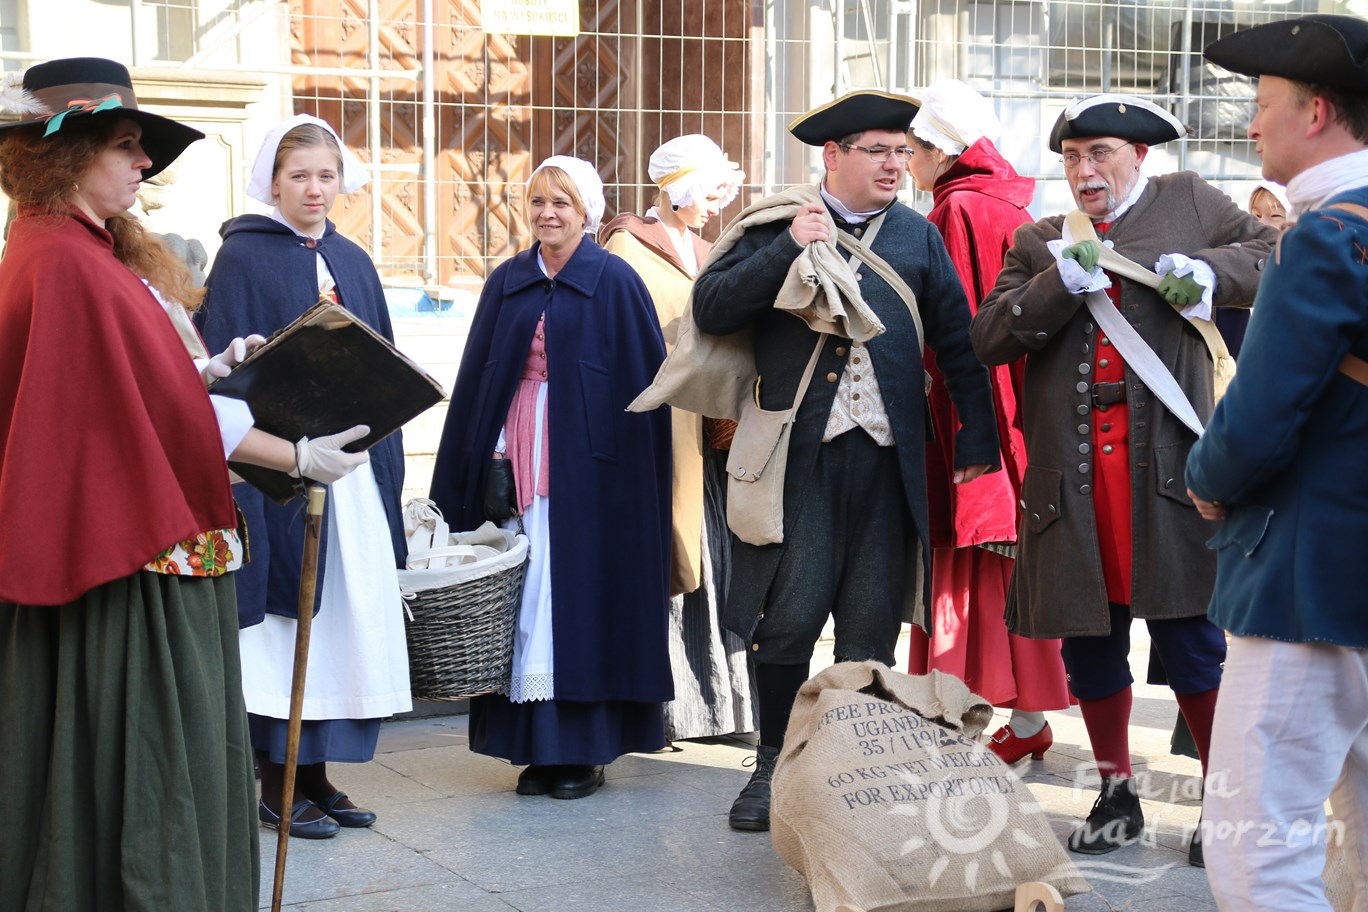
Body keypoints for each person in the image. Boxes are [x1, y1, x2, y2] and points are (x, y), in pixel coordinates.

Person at [0, 56, 350, 910]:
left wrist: (205, 368)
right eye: (125, 145)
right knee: (146, 753)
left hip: (122, 547)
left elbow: (130, 392)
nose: (143, 162)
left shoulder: (70, 251)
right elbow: (149, 414)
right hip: (127, 566)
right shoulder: (70, 266)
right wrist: (295, 458)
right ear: (68, 152)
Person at [971, 93, 1278, 863]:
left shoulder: (1191, 203)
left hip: (1169, 479)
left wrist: (1208, 272)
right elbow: (988, 337)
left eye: (1100, 153)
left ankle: (1219, 800)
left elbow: (1279, 253)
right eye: (1073, 157)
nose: (1084, 170)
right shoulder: (1040, 241)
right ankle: (1116, 793)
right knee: (1090, 647)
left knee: (1193, 647)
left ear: (1139, 156)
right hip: (1073, 488)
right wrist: (1055, 288)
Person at [690, 90, 1001, 832]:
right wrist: (788, 249)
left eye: (904, 150)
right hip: (800, 464)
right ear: (834, 157)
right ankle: (770, 765)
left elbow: (960, 347)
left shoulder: (918, 239)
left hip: (890, 467)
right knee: (788, 620)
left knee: (870, 630)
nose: (897, 164)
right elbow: (712, 308)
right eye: (879, 150)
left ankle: (854, 769)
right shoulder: (776, 224)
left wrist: (978, 444)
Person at [1189, 14, 1368, 908]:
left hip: (1310, 576)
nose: (1252, 125)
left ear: (1318, 111)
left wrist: (1205, 481)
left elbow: (1257, 423)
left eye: (1264, 105)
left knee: (1257, 850)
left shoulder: (1329, 235)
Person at [429, 155, 673, 800]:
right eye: (537, 201)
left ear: (586, 210)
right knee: (523, 591)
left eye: (560, 202)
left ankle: (583, 750)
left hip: (591, 477)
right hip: (515, 457)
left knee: (577, 596)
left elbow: (644, 392)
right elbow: (481, 378)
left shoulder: (616, 282)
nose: (547, 214)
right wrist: (485, 455)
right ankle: (532, 747)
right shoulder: (509, 280)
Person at [197, 113, 412, 839]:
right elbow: (228, 381)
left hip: (349, 475)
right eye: (299, 177)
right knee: (286, 630)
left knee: (338, 627)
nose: (315, 189)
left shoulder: (353, 259)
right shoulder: (244, 260)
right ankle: (277, 782)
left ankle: (319, 778)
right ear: (273, 182)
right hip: (281, 475)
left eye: (325, 175)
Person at [902, 80, 1072, 762]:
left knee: (961, 567)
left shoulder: (957, 209)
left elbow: (956, 329)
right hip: (1016, 416)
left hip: (966, 416)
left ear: (941, 151)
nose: (905, 163)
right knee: (1010, 570)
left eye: (911, 150)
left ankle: (943, 717)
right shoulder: (1006, 204)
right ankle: (1027, 722)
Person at [600, 134, 758, 743]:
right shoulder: (624, 249)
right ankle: (667, 709)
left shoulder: (706, 246)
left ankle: (727, 709)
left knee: (721, 553)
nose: (717, 205)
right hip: (658, 429)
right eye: (711, 192)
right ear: (681, 189)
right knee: (672, 550)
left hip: (714, 427)